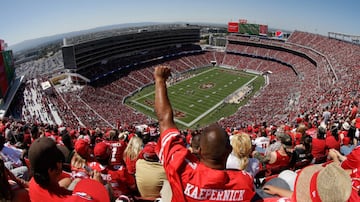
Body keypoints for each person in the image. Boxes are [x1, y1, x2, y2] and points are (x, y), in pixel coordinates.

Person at [154, 66, 255, 201]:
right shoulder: (245, 182)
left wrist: (160, 80)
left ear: (199, 151)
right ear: (229, 150)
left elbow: (164, 120)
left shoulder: (183, 170)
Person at [28, 137, 108, 202]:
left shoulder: (33, 183)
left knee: (69, 180)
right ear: (50, 171)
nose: (61, 163)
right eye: (59, 161)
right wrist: (97, 186)